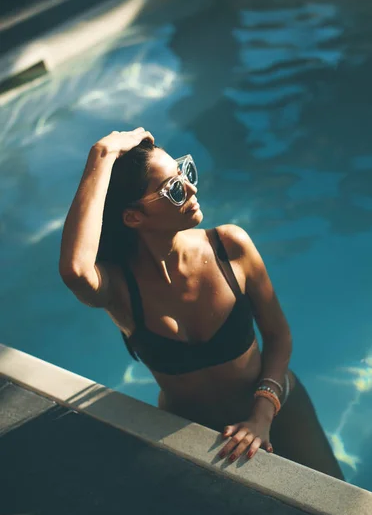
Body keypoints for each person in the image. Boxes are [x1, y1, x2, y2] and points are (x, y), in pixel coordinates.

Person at [59, 127, 344, 479]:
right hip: (198, 436)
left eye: (185, 173)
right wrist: (102, 153)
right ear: (133, 217)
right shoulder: (119, 287)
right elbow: (74, 271)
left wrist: (261, 415)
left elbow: (278, 335)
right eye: (174, 189)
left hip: (276, 407)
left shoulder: (228, 247)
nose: (191, 189)